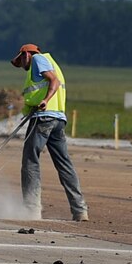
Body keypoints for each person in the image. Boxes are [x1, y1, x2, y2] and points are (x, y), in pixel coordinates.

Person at [13, 43, 88, 221]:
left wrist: (45, 100)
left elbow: (54, 81)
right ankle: (80, 209)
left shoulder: (38, 59)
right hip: (58, 120)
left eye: (22, 60)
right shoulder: (51, 62)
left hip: (44, 118)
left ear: (26, 55)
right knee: (64, 164)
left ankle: (31, 210)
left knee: (30, 161)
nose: (23, 65)